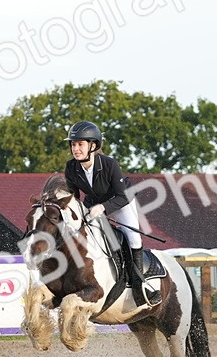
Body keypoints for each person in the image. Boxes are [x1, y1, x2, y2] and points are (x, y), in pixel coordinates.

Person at [63, 121, 159, 306]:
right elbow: (74, 197)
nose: (75, 148)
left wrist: (104, 208)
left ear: (93, 145)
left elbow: (122, 196)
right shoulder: (71, 167)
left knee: (133, 238)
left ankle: (141, 287)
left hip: (120, 200)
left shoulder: (109, 164)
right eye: (73, 144)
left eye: (80, 144)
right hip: (93, 203)